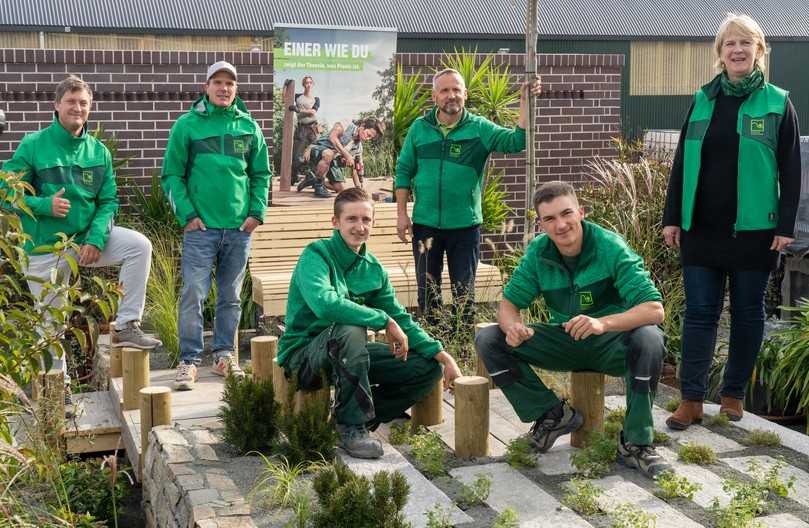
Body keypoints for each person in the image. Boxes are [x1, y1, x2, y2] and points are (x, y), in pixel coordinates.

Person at [475, 181, 671, 478]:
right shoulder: (538, 253)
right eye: (550, 219)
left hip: (612, 344)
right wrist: (513, 327)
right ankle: (553, 415)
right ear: (540, 224)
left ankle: (636, 442)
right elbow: (508, 305)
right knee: (490, 338)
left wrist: (602, 323)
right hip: (566, 341)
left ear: (581, 212)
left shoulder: (610, 247)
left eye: (566, 214)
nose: (561, 225)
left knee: (650, 338)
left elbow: (655, 310)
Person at [662, 14, 801, 429]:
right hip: (701, 227)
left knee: (746, 312)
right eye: (729, 44)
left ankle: (733, 396)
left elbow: (792, 169)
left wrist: (786, 225)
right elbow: (682, 161)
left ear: (759, 50)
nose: (737, 50)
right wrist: (672, 218)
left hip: (755, 230)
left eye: (745, 43)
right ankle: (690, 399)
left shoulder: (778, 102)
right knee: (700, 312)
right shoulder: (702, 99)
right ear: (719, 54)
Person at [3, 75, 161, 401]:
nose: (77, 108)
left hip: (87, 240)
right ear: (56, 105)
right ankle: (56, 399)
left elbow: (108, 202)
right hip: (46, 247)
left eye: (83, 103)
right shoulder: (33, 145)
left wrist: (96, 239)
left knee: (139, 246)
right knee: (51, 326)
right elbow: (6, 191)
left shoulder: (98, 151)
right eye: (71, 101)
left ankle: (127, 326)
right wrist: (43, 205)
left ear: (89, 108)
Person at [277, 187, 462, 459]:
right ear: (335, 222)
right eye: (352, 219)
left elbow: (400, 318)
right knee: (350, 327)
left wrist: (443, 355)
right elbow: (326, 305)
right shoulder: (315, 256)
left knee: (425, 367)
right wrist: (381, 320)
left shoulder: (373, 269)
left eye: (366, 220)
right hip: (304, 357)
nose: (359, 227)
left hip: (349, 355)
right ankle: (353, 428)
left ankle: (353, 421)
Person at [395, 69, 541, 324]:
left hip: (465, 226)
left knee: (464, 292)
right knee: (427, 292)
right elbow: (404, 170)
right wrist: (401, 214)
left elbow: (518, 141)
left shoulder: (479, 128)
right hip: (425, 224)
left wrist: (524, 103)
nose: (451, 95)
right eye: (444, 90)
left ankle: (462, 349)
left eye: (456, 90)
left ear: (465, 94)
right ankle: (433, 345)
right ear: (434, 96)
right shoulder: (420, 128)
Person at [162, 61, 271, 390]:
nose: (224, 88)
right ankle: (189, 361)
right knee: (193, 293)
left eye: (230, 84)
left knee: (231, 297)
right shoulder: (187, 126)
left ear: (236, 89)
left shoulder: (249, 128)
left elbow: (261, 175)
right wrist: (188, 215)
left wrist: (256, 213)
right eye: (218, 82)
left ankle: (225, 356)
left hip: (239, 231)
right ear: (206, 87)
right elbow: (171, 175)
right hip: (201, 229)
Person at [297, 117, 383, 198]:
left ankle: (312, 179)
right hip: (318, 149)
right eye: (368, 134)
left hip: (330, 161)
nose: (367, 139)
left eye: (370, 138)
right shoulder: (346, 124)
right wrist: (347, 155)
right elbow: (332, 137)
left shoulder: (358, 148)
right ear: (362, 126)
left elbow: (355, 168)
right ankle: (318, 186)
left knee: (341, 189)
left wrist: (358, 187)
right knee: (328, 153)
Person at [290, 75, 320, 182]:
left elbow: (313, 112)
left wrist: (298, 110)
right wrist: (285, 86)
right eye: (307, 83)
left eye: (310, 82)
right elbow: (285, 98)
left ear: (312, 84)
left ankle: (314, 178)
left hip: (313, 128)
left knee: (316, 153)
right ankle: (293, 177)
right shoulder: (297, 96)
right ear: (303, 84)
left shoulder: (316, 99)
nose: (308, 85)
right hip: (301, 128)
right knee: (297, 156)